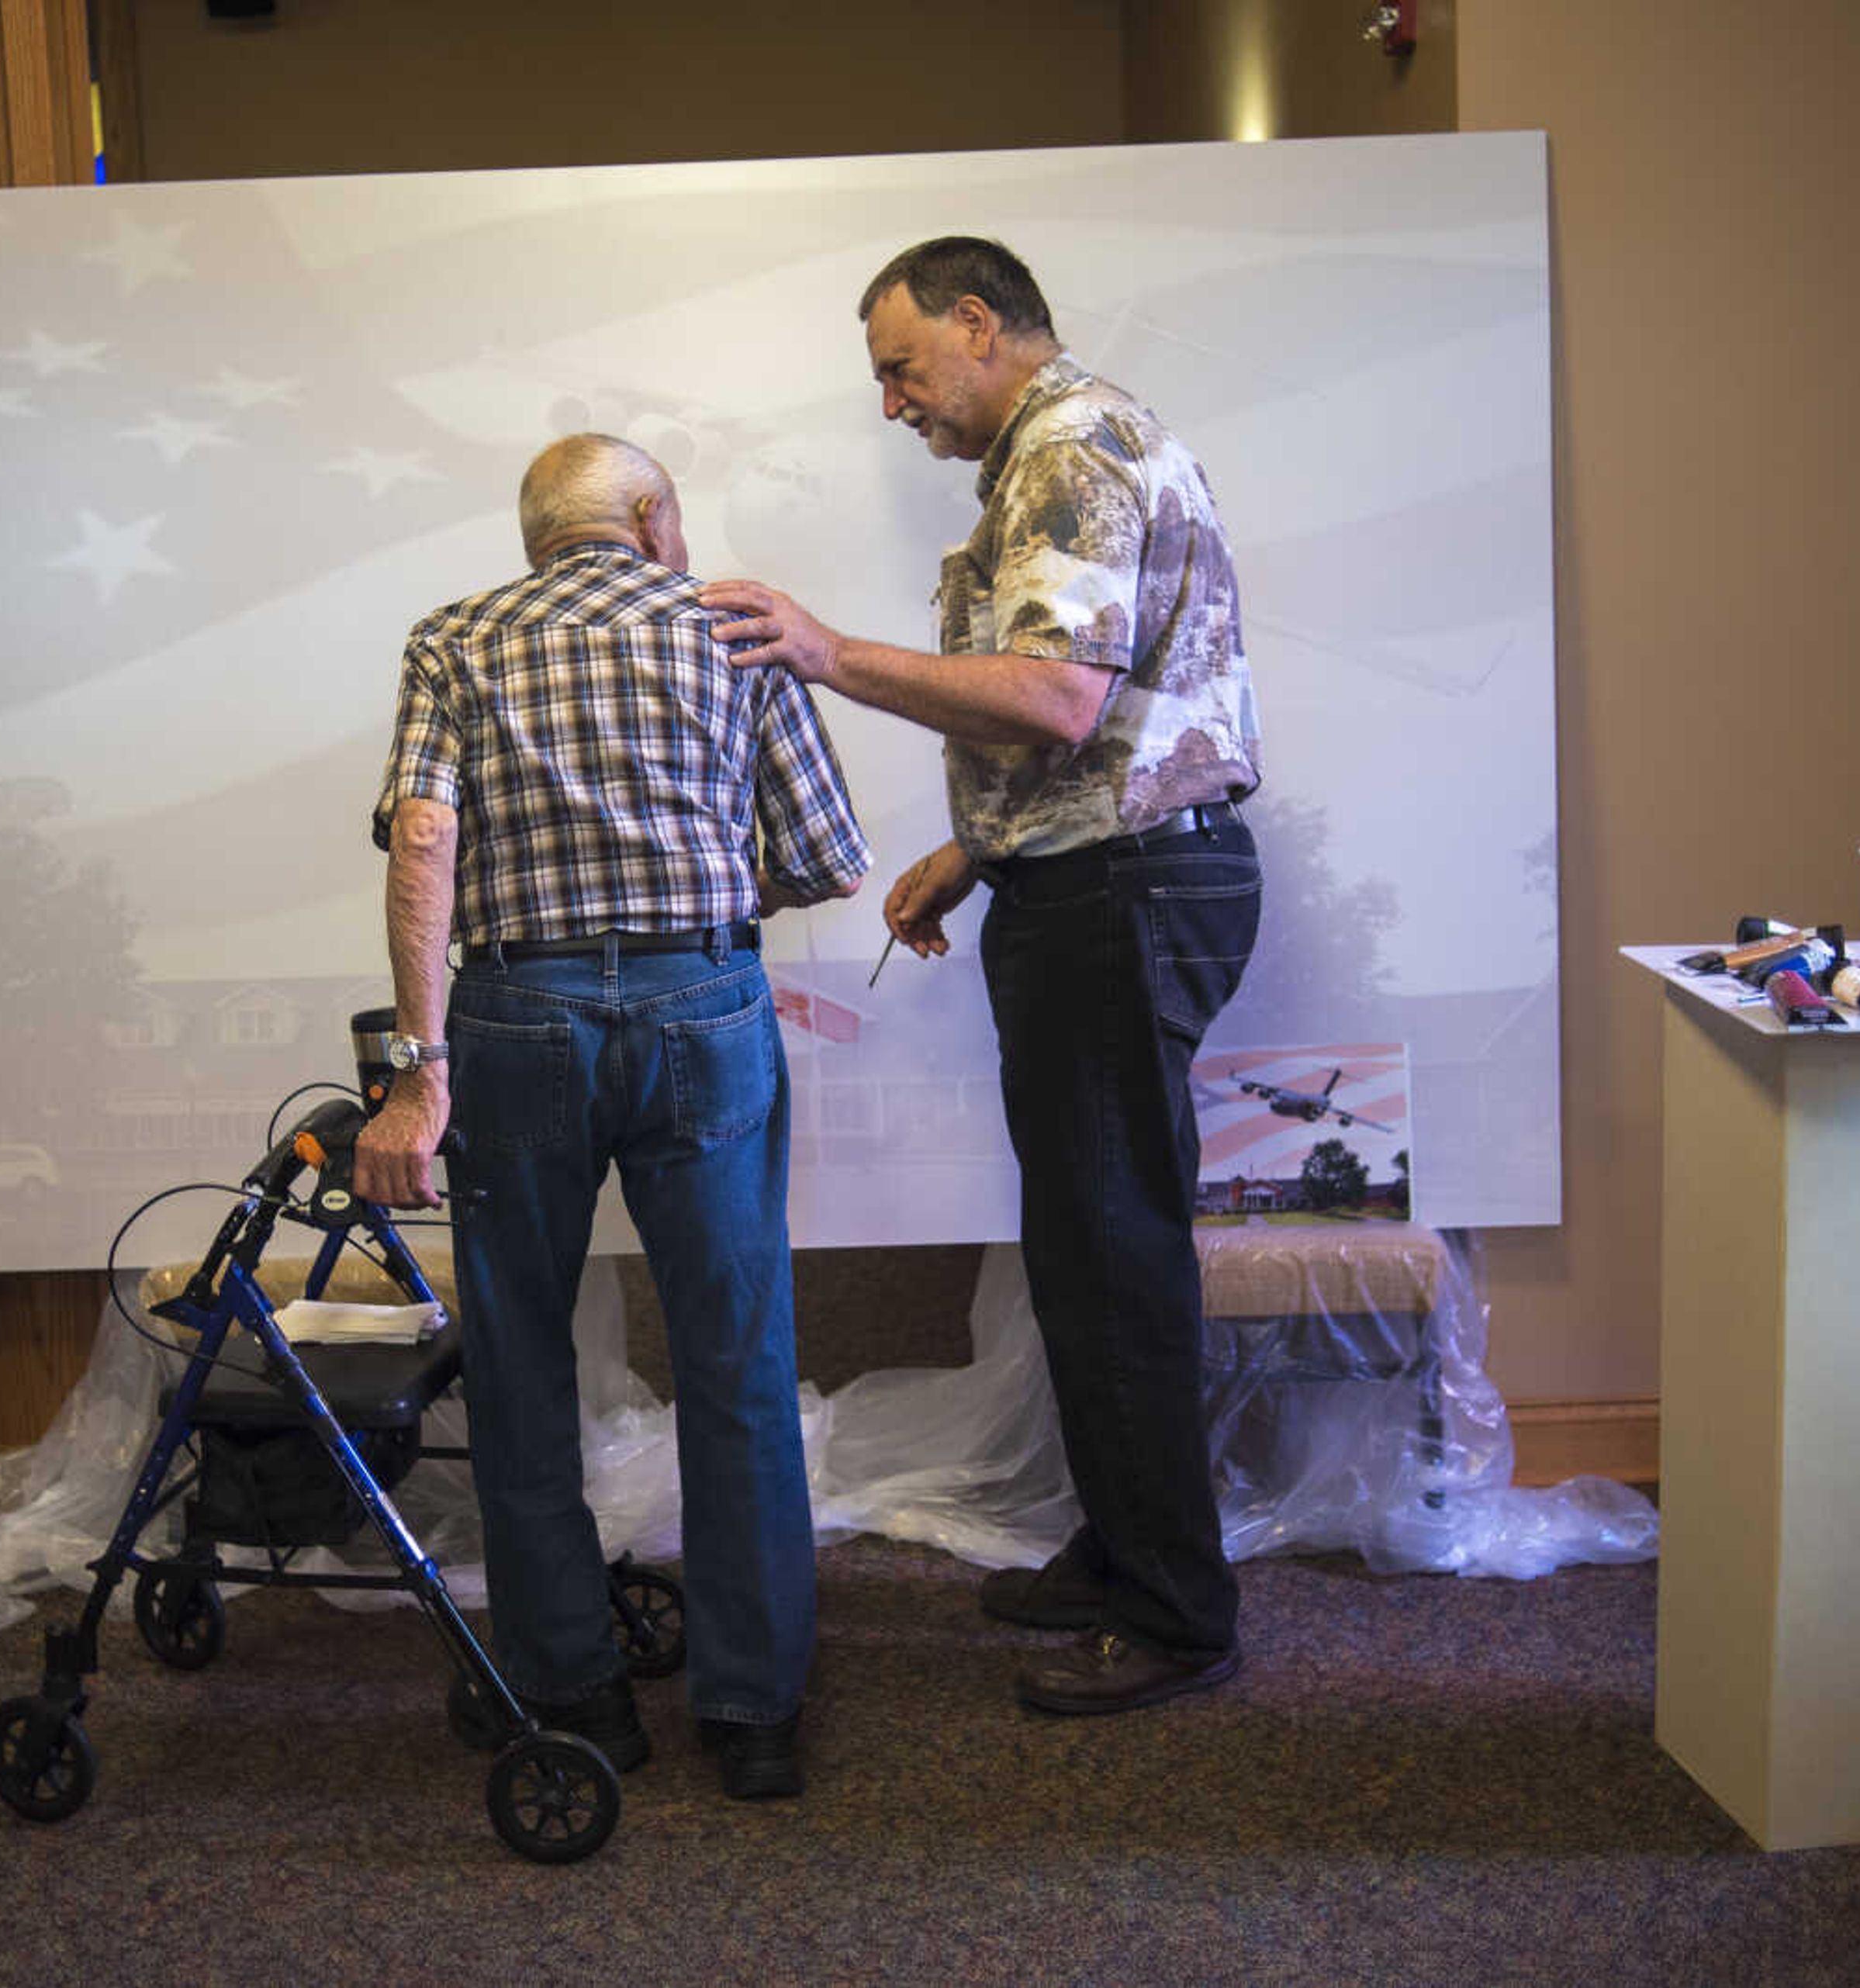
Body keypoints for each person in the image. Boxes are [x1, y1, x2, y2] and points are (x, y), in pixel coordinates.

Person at [698, 236, 1264, 1717]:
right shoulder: (1056, 449)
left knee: (1117, 1245)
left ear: (975, 323)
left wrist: (823, 649)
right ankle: (1126, 1549)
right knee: (1085, 1242)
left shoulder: (1072, 447)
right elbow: (1097, 715)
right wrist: (983, 849)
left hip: (1126, 893)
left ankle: (1175, 1611)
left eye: (899, 366)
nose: (892, 401)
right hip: (1092, 876)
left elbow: (1057, 695)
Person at [354, 434, 871, 1799]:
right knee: (735, 1358)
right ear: (650, 517)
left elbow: (422, 840)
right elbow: (823, 855)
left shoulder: (453, 637)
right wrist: (691, 881)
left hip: (514, 1019)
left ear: (538, 535)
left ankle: (574, 1691)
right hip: (703, 999)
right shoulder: (729, 630)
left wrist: (418, 1069)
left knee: (522, 1362)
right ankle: (754, 1717)